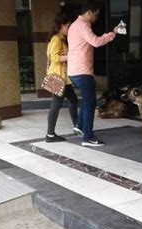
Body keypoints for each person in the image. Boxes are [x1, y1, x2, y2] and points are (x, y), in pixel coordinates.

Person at [67, 0, 120, 147]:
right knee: (90, 103)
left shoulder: (73, 25)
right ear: (89, 12)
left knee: (86, 100)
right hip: (82, 71)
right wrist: (112, 34)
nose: (97, 18)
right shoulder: (83, 25)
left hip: (74, 70)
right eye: (96, 15)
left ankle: (79, 125)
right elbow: (96, 42)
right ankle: (88, 137)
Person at [45, 13, 82, 143]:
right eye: (68, 26)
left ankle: (77, 127)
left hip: (62, 79)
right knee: (58, 104)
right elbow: (54, 58)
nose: (69, 29)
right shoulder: (56, 39)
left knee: (72, 101)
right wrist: (71, 56)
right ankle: (50, 134)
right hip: (58, 78)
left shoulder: (59, 39)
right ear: (61, 25)